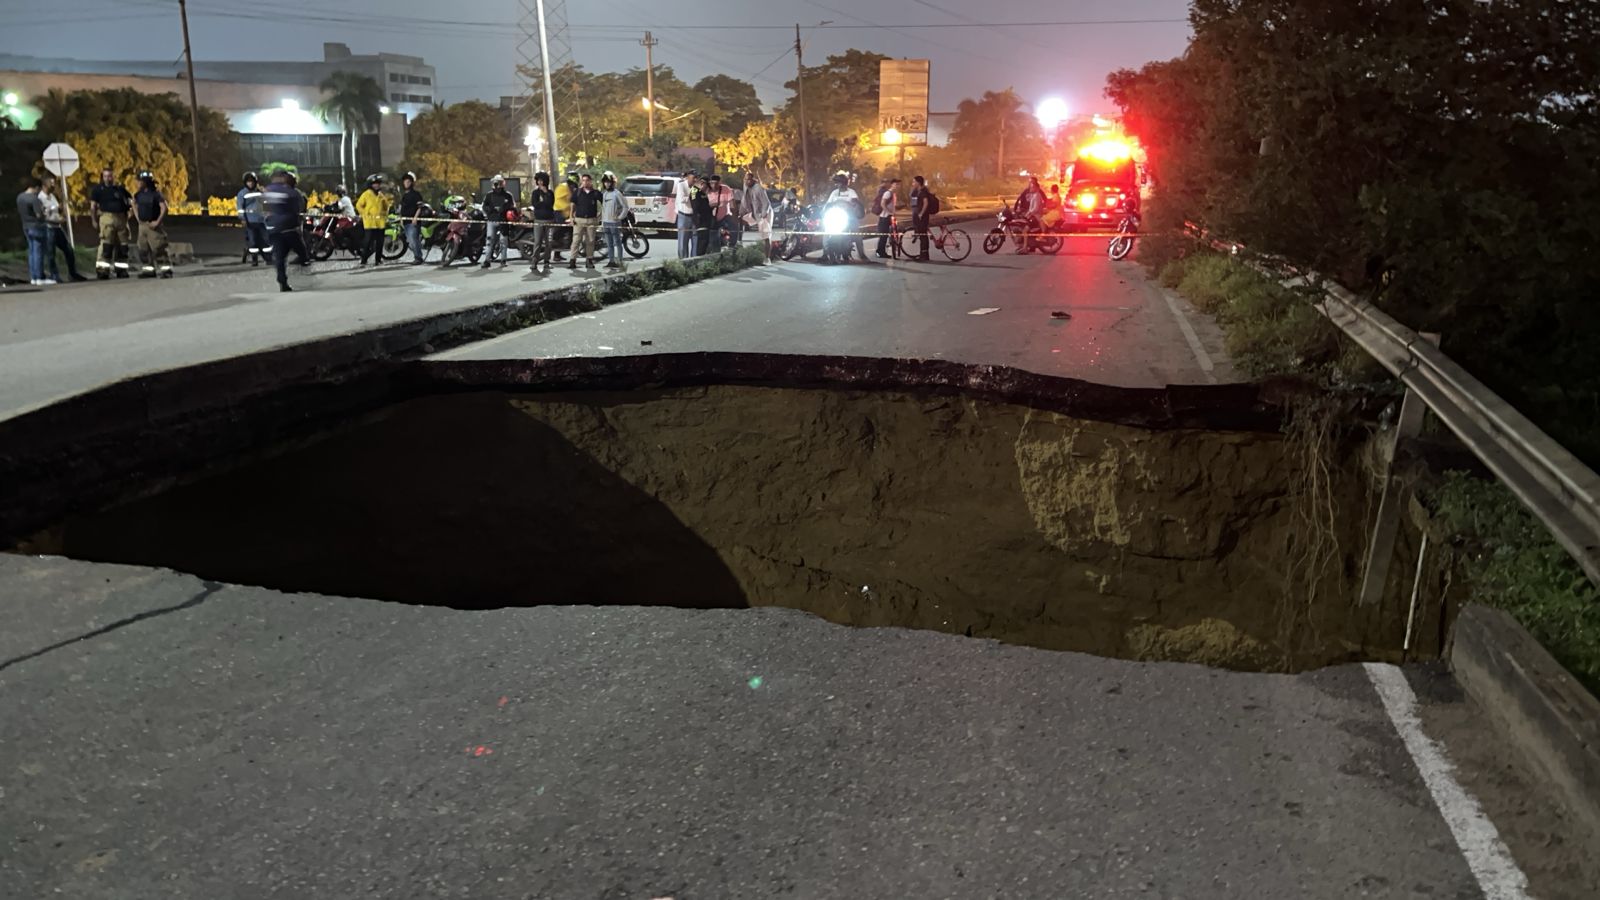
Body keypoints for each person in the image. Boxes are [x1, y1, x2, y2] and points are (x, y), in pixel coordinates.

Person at [263, 168, 311, 292]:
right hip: (289, 228)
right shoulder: (293, 192)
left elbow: (264, 207)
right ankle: (304, 263)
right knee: (301, 249)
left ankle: (282, 282)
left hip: (273, 228)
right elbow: (299, 209)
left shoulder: (268, 190)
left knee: (279, 257)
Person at [39, 174, 85, 282]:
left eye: (54, 183)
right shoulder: (40, 198)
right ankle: (54, 275)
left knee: (68, 250)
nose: (54, 185)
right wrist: (55, 214)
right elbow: (43, 216)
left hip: (57, 227)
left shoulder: (52, 196)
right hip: (49, 227)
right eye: (51, 183)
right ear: (45, 184)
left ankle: (72, 274)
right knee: (51, 253)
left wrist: (61, 213)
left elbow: (56, 210)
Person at [88, 167, 133, 279]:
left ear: (114, 176)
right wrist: (93, 220)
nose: (108, 178)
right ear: (102, 177)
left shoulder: (120, 189)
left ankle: (121, 270)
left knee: (123, 247)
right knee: (106, 246)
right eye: (105, 176)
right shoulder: (98, 190)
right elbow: (93, 207)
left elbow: (131, 201)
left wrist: (130, 213)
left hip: (121, 219)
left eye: (110, 176)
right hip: (107, 218)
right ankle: (102, 271)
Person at [132, 171, 173, 279]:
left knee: (159, 249)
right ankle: (148, 270)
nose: (138, 183)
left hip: (153, 226)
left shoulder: (156, 194)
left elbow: (164, 208)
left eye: (139, 181)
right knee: (143, 249)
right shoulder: (138, 194)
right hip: (143, 226)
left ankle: (166, 271)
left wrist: (157, 222)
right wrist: (138, 218)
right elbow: (134, 204)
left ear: (145, 182)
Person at [17, 178, 52, 286]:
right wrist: (46, 213)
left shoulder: (20, 197)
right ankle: (39, 276)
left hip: (26, 226)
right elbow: (39, 215)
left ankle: (33, 277)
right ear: (36, 188)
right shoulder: (34, 199)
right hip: (36, 226)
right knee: (38, 253)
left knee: (31, 252)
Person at [565, 172, 602, 271]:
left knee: (590, 241)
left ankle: (589, 260)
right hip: (579, 220)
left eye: (587, 180)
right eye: (584, 180)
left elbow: (603, 203)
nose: (585, 182)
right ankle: (572, 260)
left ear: (590, 182)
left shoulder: (595, 193)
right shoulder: (577, 192)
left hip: (591, 220)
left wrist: (600, 216)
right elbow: (572, 205)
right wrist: (571, 217)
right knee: (576, 240)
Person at [480, 173, 516, 269]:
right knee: (489, 240)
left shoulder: (508, 195)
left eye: (498, 183)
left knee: (503, 241)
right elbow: (484, 206)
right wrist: (490, 210)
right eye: (495, 183)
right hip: (491, 220)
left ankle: (503, 260)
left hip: (503, 221)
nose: (496, 185)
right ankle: (487, 260)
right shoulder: (489, 195)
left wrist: (504, 209)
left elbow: (513, 207)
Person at [824, 172, 862, 261]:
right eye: (836, 183)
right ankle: (825, 253)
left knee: (857, 233)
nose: (837, 185)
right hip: (836, 216)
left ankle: (862, 254)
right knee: (825, 231)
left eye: (839, 182)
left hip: (849, 217)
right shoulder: (834, 193)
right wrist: (824, 211)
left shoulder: (851, 192)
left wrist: (853, 203)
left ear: (844, 183)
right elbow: (828, 203)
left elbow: (855, 203)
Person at [355, 174, 390, 266]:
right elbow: (359, 205)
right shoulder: (366, 194)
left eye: (378, 183)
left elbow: (386, 206)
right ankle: (363, 260)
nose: (377, 185)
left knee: (380, 242)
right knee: (367, 242)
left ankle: (378, 260)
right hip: (370, 223)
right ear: (371, 184)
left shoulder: (381, 195)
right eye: (374, 184)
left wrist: (384, 214)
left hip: (380, 223)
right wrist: (364, 214)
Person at [236, 172, 269, 266]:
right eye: (248, 182)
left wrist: (264, 192)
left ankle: (268, 258)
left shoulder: (259, 191)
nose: (250, 184)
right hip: (250, 221)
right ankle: (254, 259)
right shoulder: (242, 194)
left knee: (265, 240)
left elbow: (266, 202)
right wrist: (242, 219)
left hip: (261, 220)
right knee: (252, 241)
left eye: (252, 182)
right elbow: (240, 207)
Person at [527, 170, 556, 274]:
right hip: (538, 220)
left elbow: (550, 204)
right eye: (538, 181)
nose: (540, 183)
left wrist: (545, 194)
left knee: (549, 242)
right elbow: (535, 204)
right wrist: (543, 203)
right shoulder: (535, 193)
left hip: (549, 220)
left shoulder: (550, 193)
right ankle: (534, 261)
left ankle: (547, 261)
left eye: (541, 180)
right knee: (537, 242)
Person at [740, 171, 773, 261]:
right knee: (762, 235)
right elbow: (745, 200)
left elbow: (766, 203)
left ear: (753, 180)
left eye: (749, 180)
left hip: (765, 213)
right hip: (755, 213)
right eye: (746, 180)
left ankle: (767, 258)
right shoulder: (745, 186)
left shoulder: (759, 188)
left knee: (766, 235)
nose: (747, 182)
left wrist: (763, 215)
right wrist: (742, 212)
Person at [908, 175, 940, 261]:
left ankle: (924, 255)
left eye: (914, 182)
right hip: (918, 216)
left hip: (922, 217)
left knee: (923, 236)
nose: (912, 183)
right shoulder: (917, 191)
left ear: (918, 183)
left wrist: (921, 213)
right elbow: (912, 198)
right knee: (922, 235)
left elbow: (926, 203)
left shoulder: (923, 192)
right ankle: (923, 253)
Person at [599, 173, 626, 270]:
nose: (607, 184)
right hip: (606, 222)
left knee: (617, 242)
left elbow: (625, 207)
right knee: (609, 243)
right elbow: (603, 209)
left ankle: (620, 261)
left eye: (609, 182)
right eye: (605, 182)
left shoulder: (617, 193)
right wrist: (602, 221)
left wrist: (619, 217)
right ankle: (611, 261)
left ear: (612, 183)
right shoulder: (605, 194)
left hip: (615, 223)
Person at [398, 172, 426, 264]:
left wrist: (415, 218)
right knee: (410, 241)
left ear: (411, 183)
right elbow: (402, 208)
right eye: (405, 181)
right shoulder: (404, 195)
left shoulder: (416, 194)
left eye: (408, 181)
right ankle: (417, 256)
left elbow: (419, 207)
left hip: (413, 222)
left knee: (413, 240)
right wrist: (401, 219)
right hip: (406, 222)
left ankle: (418, 258)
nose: (406, 183)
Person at [1015, 176, 1047, 254]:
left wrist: (1029, 213)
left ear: (1036, 186)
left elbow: (1035, 208)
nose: (1030, 185)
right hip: (1030, 213)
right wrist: (1017, 208)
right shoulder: (1029, 193)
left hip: (1035, 216)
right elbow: (1020, 199)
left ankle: (1025, 247)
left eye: (1032, 183)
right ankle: (1026, 244)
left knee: (1026, 229)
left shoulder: (1037, 195)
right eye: (1030, 183)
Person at [704, 174, 733, 252]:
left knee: (725, 235)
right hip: (711, 218)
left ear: (720, 183)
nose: (714, 185)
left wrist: (734, 213)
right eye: (712, 183)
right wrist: (714, 205)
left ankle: (725, 247)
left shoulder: (725, 189)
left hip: (724, 217)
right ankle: (713, 252)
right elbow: (704, 204)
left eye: (716, 183)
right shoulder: (707, 190)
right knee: (713, 237)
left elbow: (731, 201)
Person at [873, 177, 900, 258]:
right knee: (883, 236)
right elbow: (882, 204)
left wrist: (893, 213)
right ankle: (880, 252)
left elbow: (892, 206)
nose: (897, 186)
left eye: (899, 185)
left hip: (889, 217)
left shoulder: (894, 194)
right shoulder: (888, 193)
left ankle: (883, 251)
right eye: (896, 184)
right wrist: (889, 212)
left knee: (889, 235)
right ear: (892, 185)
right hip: (884, 217)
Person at [551, 172, 575, 261]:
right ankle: (555, 245)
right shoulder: (563, 187)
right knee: (561, 229)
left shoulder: (569, 188)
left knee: (570, 229)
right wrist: (570, 205)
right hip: (559, 211)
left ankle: (559, 252)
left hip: (566, 212)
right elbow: (561, 200)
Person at [690, 174, 715, 256]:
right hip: (700, 220)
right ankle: (698, 259)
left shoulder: (702, 193)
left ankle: (701, 257)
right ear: (702, 184)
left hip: (706, 219)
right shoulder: (694, 190)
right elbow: (695, 206)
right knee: (701, 241)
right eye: (707, 187)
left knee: (705, 241)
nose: (707, 189)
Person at [673, 170, 697, 258]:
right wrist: (692, 197)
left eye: (696, 178)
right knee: (683, 240)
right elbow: (682, 199)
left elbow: (696, 201)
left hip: (694, 216)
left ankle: (694, 260)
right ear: (688, 177)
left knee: (695, 239)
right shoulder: (681, 185)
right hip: (684, 215)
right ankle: (683, 261)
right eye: (693, 177)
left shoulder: (695, 187)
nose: (695, 180)